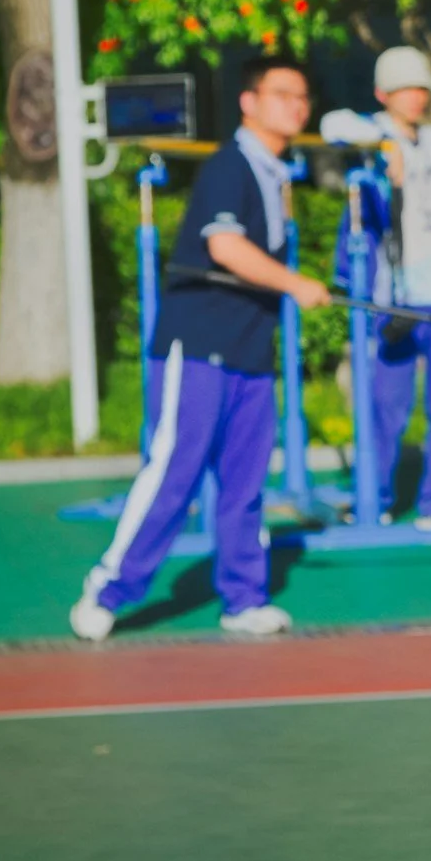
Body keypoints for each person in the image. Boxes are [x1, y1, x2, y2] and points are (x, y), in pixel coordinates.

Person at [70, 56, 332, 641]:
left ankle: (243, 598)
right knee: (175, 472)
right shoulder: (230, 165)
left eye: (302, 95)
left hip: (250, 353)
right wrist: (298, 285)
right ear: (250, 101)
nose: (296, 105)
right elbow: (225, 247)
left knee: (244, 485)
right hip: (200, 345)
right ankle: (110, 589)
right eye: (283, 92)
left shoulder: (275, 172)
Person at [320, 46, 431, 530]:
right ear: (383, 94)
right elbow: (331, 125)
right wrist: (385, 146)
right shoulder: (368, 135)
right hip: (390, 295)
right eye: (406, 88)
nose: (417, 97)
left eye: (423, 88)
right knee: (385, 402)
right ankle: (374, 495)